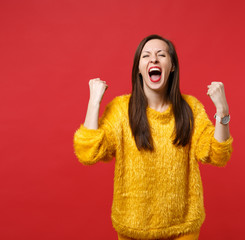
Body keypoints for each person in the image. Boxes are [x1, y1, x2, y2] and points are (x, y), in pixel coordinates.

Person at [73, 34, 233, 240]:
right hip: (133, 230)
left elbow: (218, 155)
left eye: (161, 55)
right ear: (139, 68)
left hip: (183, 229)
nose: (154, 60)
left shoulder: (190, 108)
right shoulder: (121, 109)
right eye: (146, 56)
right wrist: (94, 102)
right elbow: (88, 153)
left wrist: (223, 112)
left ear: (172, 66)